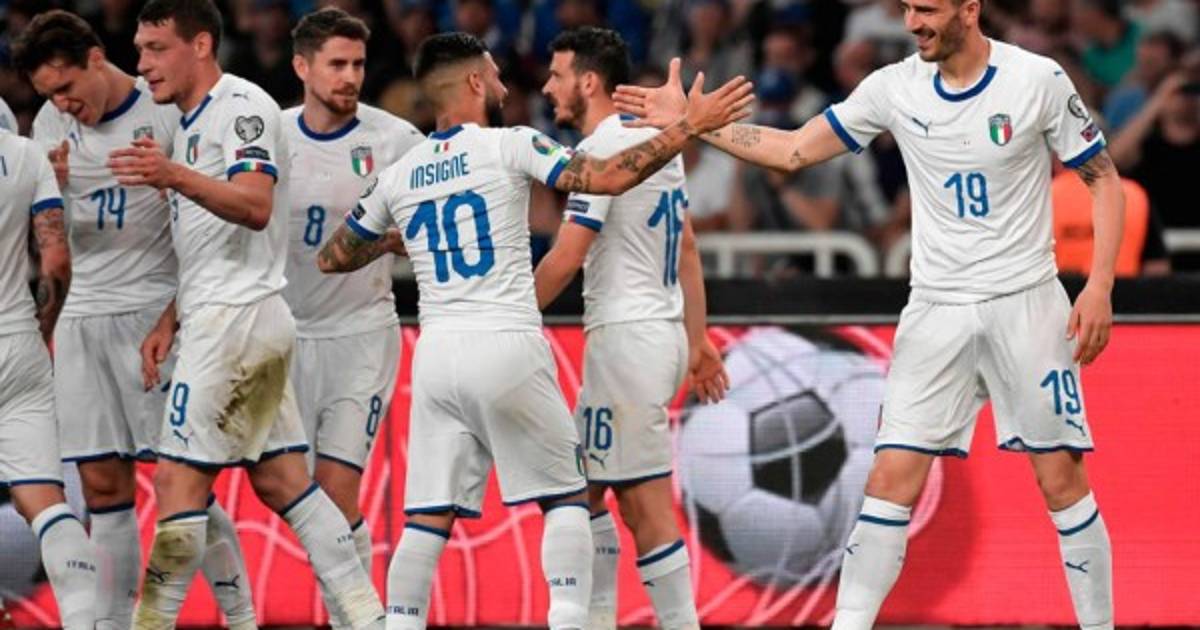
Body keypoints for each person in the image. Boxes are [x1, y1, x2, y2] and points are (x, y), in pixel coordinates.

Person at [615, 0, 1124, 627]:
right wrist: (693, 126)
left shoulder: (1036, 79)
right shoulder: (893, 87)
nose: (912, 23)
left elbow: (1103, 178)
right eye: (906, 8)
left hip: (1025, 303)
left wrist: (1099, 286)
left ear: (970, 10)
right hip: (936, 310)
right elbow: (794, 150)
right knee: (889, 479)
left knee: (1061, 481)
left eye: (927, 9)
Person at [316, 31, 750, 630]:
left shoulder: (401, 173)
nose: (513, 85)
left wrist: (402, 239)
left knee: (426, 519)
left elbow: (333, 256)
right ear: (474, 82)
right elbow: (606, 179)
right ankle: (577, 619)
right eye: (496, 74)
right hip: (511, 340)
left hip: (435, 356)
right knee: (569, 496)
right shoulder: (513, 144)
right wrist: (687, 127)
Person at [105, 1, 383, 627]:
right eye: (141, 49)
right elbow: (211, 245)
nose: (142, 63)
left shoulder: (241, 107)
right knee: (284, 483)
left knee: (177, 486)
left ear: (201, 45)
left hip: (235, 322)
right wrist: (171, 318)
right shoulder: (191, 121)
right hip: (229, 316)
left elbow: (255, 206)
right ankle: (370, 620)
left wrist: (173, 175)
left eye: (156, 48)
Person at [11, 12, 260, 629]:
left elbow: (208, 217)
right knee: (101, 488)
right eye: (48, 94)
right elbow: (51, 244)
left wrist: (177, 311)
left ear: (97, 59)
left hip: (154, 313)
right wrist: (52, 190)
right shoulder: (50, 126)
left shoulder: (165, 109)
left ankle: (241, 616)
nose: (62, 104)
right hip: (82, 317)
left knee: (184, 485)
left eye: (67, 87)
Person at [535, 27, 728, 630]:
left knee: (644, 507)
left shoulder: (603, 156)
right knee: (585, 493)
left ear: (588, 82)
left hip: (628, 342)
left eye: (557, 74)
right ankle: (596, 619)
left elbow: (567, 256)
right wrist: (696, 339)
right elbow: (687, 245)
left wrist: (509, 315)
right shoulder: (652, 142)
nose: (548, 86)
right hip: (657, 335)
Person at [281, 8, 422, 624]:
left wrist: (386, 240)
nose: (350, 77)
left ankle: (358, 621)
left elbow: (431, 230)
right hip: (286, 337)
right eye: (336, 64)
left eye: (358, 64)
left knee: (337, 491)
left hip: (361, 333)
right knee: (295, 496)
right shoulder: (270, 137)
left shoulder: (396, 141)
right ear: (301, 66)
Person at [0, 108, 95, 630]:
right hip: (21, 341)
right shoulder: (28, 155)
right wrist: (42, 329)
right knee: (49, 507)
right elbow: (56, 260)